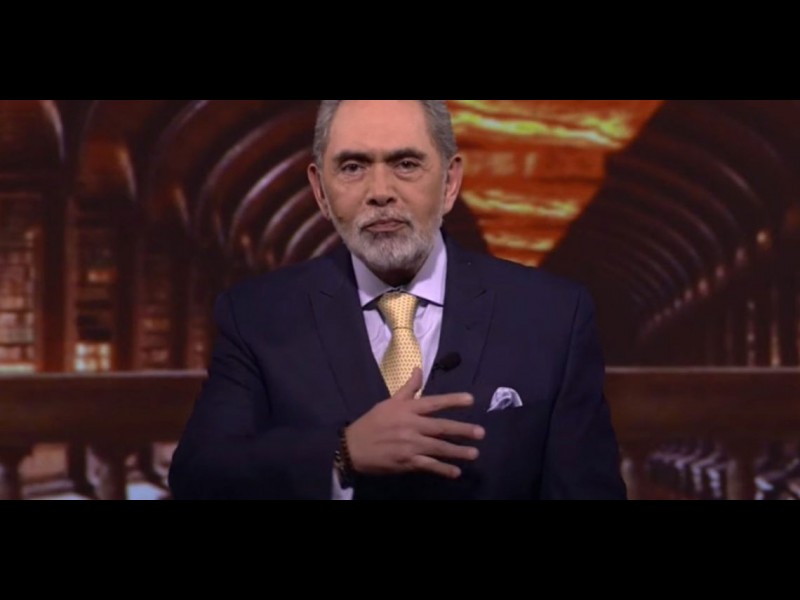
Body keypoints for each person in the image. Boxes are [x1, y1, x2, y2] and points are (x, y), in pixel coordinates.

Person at [168, 100, 627, 500]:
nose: (380, 192)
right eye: (353, 167)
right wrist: (341, 453)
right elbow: (201, 476)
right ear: (320, 191)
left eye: (405, 164)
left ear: (449, 183)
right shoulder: (256, 316)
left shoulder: (553, 316)